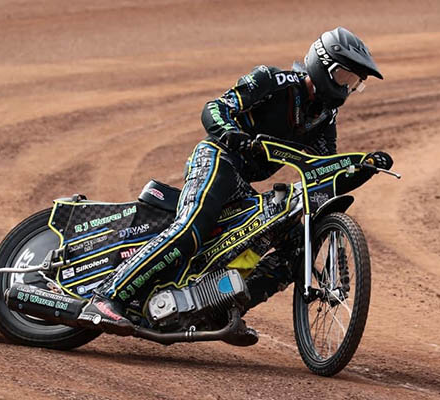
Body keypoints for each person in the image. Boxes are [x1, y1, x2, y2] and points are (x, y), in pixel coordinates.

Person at [77, 27, 393, 343]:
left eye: (354, 83)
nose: (347, 88)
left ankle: (218, 311)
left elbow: (322, 175)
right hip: (218, 156)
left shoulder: (325, 120)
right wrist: (233, 135)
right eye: (344, 77)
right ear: (321, 65)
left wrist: (363, 169)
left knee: (294, 247)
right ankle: (107, 297)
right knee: (192, 228)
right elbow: (215, 108)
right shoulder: (272, 81)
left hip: (242, 183)